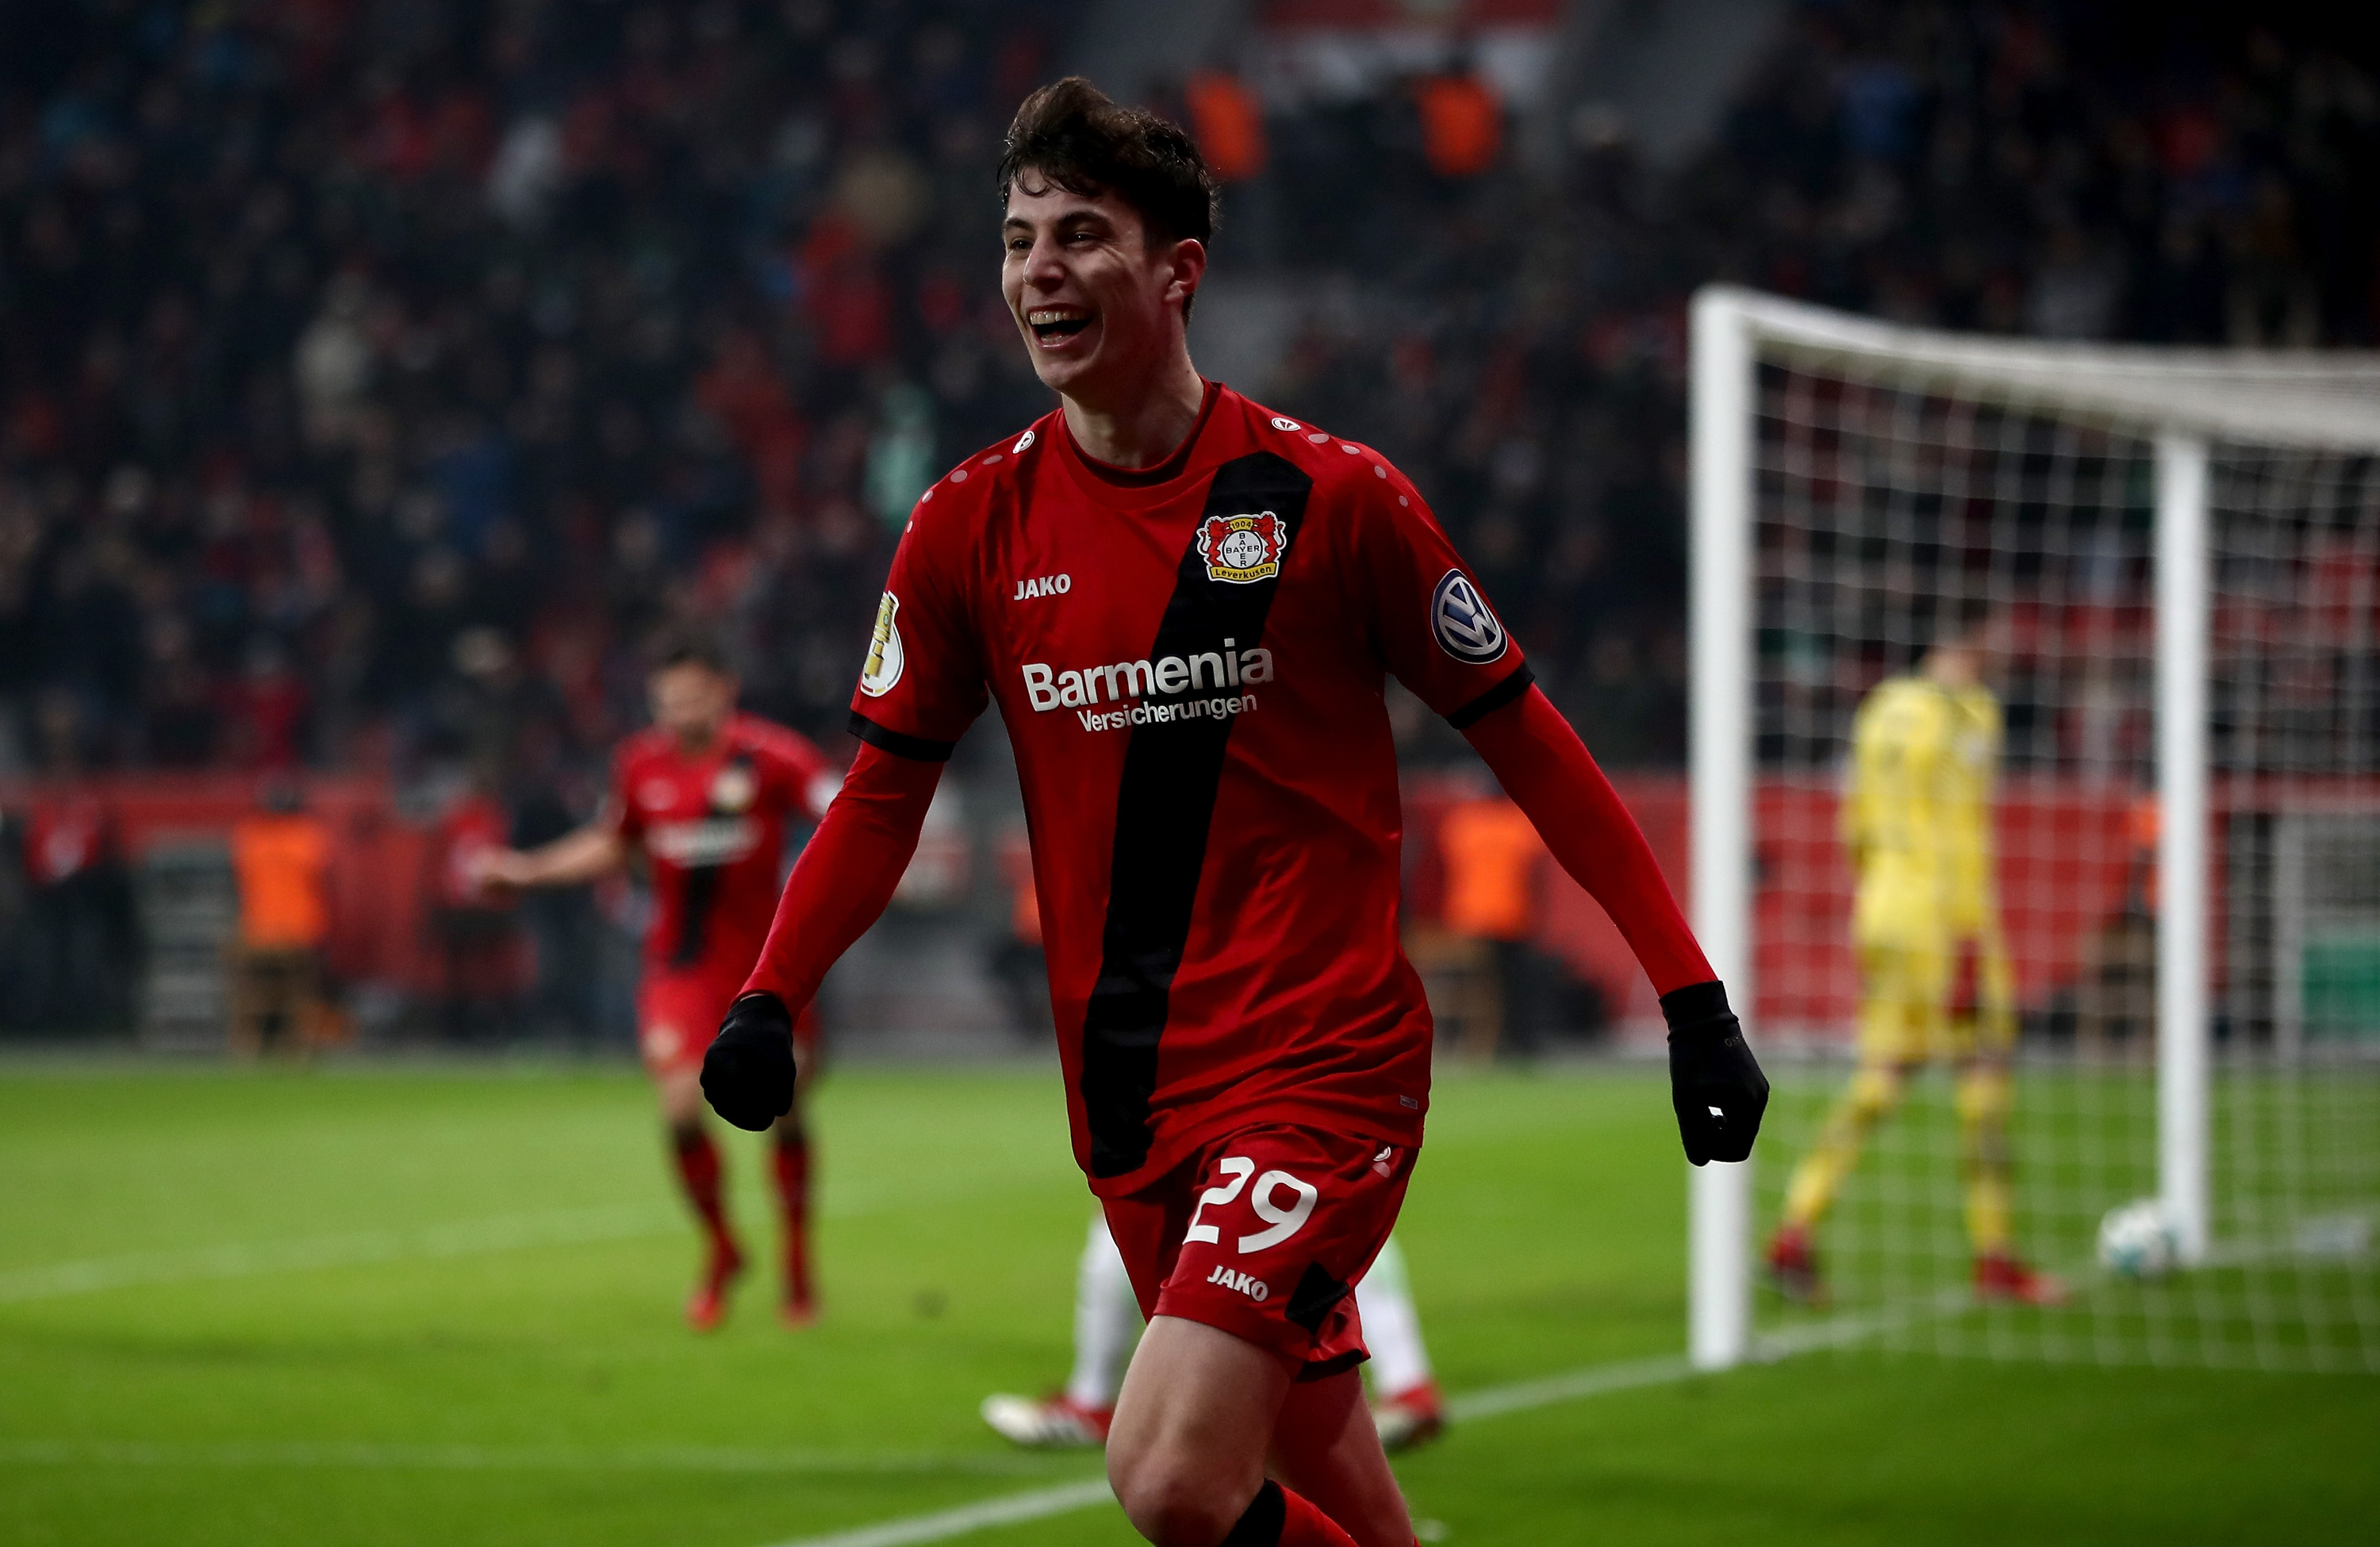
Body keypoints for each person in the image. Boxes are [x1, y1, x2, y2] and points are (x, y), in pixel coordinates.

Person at [701, 79, 1765, 1547]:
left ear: (1176, 272)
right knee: (1338, 1501)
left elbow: (1528, 740)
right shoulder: (967, 528)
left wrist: (1688, 994)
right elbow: (885, 791)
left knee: (1174, 1479)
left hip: (1322, 1065)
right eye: (1020, 241)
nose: (1041, 272)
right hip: (1130, 1099)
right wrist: (771, 992)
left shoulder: (1333, 499)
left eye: (1082, 235)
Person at [473, 631, 841, 1330]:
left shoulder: (775, 758)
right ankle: (723, 1250)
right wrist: (525, 871)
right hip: (680, 968)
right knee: (678, 1106)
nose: (680, 711)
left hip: (769, 969)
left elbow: (844, 809)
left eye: (694, 696)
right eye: (669, 699)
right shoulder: (639, 765)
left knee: (786, 1114)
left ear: (725, 693)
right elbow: (613, 842)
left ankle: (797, 1264)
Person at [1764, 606, 2064, 1307]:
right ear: (1978, 635)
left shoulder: (1881, 708)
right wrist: (1965, 943)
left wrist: (1875, 895)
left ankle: (1794, 1231)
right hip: (1945, 914)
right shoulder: (1971, 714)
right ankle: (1995, 1257)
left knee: (1882, 1075)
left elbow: (1856, 820)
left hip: (1880, 907)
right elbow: (1961, 833)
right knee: (1985, 1079)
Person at [984, 1216, 1444, 1454]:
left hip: (1252, 1064)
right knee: (1325, 1201)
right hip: (1284, 1059)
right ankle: (1408, 1386)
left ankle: (1091, 1402)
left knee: (1314, 1202)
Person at [227, 781, 333, 1056]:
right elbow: (324, 875)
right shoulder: (308, 835)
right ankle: (301, 1043)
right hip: (299, 935)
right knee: (305, 987)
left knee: (254, 987)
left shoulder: (249, 836)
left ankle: (250, 1042)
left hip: (256, 935)